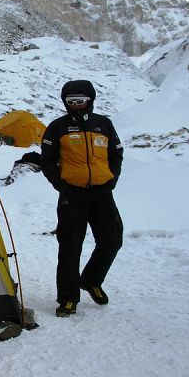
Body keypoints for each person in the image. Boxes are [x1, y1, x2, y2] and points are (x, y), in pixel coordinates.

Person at [40, 80, 123, 317]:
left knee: (112, 240)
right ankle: (67, 298)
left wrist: (111, 179)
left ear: (90, 101)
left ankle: (90, 280)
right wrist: (61, 185)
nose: (76, 106)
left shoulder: (103, 124)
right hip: (72, 195)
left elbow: (116, 153)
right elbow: (47, 159)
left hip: (101, 193)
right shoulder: (57, 127)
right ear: (65, 103)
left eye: (81, 101)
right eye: (71, 102)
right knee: (69, 247)